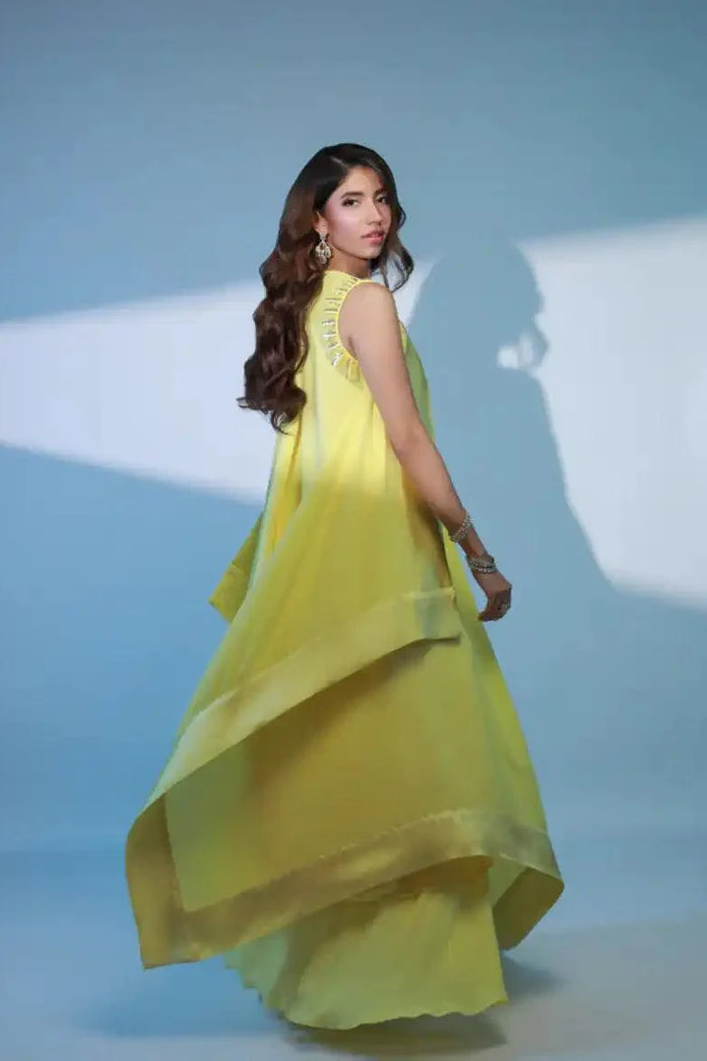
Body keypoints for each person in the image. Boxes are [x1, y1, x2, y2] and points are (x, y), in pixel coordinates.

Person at [124, 142, 564, 1030]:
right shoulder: (366, 302)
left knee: (352, 755)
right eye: (354, 200)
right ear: (317, 218)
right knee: (417, 761)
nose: (376, 215)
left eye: (383, 198)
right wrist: (477, 552)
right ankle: (403, 972)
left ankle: (335, 974)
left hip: (331, 559)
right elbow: (406, 439)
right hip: (386, 558)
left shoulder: (305, 305)